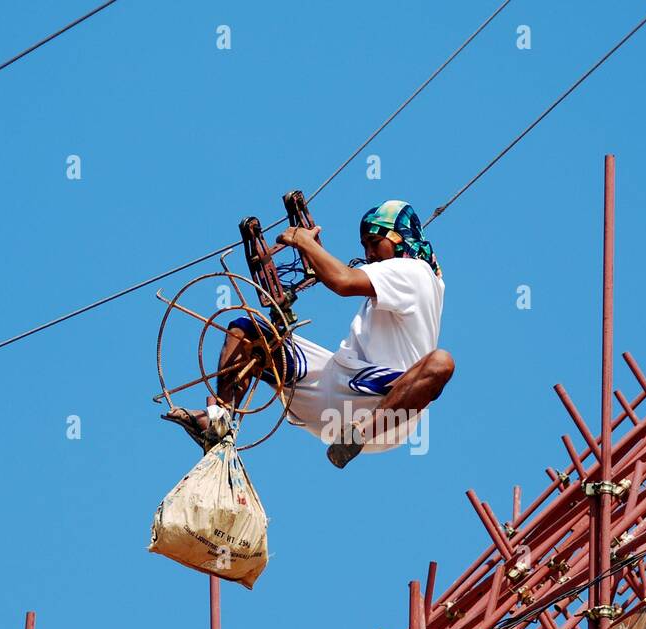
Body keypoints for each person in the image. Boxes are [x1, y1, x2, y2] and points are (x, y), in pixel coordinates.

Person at [164, 199, 452, 468]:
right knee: (245, 329)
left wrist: (304, 242)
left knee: (441, 362)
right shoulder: (402, 278)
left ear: (400, 238)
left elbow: (343, 281)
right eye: (364, 246)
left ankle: (357, 435)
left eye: (375, 243)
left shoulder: (415, 272)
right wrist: (311, 252)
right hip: (336, 388)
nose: (368, 255)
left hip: (387, 404)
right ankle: (220, 423)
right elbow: (341, 275)